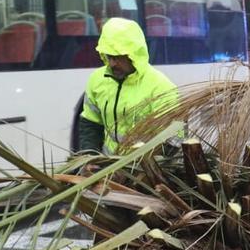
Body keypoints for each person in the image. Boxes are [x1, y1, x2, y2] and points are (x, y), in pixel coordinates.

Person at [76, 18, 179, 155]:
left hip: (146, 171)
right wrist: (89, 157)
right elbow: (91, 122)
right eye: (109, 57)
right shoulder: (96, 80)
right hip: (109, 167)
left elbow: (175, 138)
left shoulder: (162, 88)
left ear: (133, 55)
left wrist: (141, 169)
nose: (112, 63)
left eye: (118, 57)